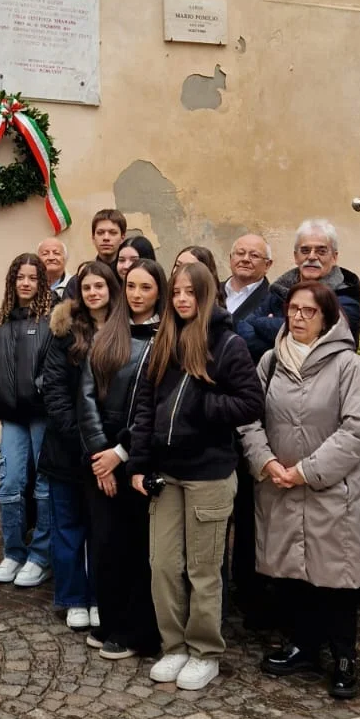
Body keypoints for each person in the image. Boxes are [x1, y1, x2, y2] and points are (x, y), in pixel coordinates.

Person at [129, 261, 263, 691]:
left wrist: (203, 408)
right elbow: (145, 408)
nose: (183, 299)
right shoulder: (163, 342)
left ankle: (205, 651)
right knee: (163, 564)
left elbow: (249, 403)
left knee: (204, 569)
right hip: (166, 473)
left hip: (209, 472)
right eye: (177, 293)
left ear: (206, 297)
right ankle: (175, 646)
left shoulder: (228, 345)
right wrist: (138, 463)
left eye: (191, 292)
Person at [241, 281, 360, 700]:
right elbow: (249, 419)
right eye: (292, 310)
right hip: (278, 483)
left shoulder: (348, 365)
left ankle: (344, 656)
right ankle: (302, 645)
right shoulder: (269, 362)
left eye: (308, 312)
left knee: (335, 575)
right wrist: (266, 461)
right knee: (292, 572)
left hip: (332, 488)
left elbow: (357, 429)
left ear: (327, 317)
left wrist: (306, 471)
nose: (298, 318)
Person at [78, 257, 166, 660]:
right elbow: (86, 396)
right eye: (131, 286)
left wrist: (120, 453)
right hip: (101, 458)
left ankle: (134, 629)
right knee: (105, 544)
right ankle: (109, 619)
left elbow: (154, 407)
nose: (136, 295)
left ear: (159, 291)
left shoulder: (166, 338)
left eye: (145, 288)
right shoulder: (107, 334)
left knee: (136, 549)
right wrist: (100, 454)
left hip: (138, 458)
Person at [41, 260, 115, 630]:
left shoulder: (125, 331)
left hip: (109, 452)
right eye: (86, 287)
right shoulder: (65, 331)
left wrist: (107, 445)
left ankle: (103, 595)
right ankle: (73, 597)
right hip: (67, 447)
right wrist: (81, 436)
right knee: (68, 526)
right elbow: (53, 390)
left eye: (99, 286)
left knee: (103, 531)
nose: (93, 292)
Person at [0, 254, 55, 587]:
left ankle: (40, 556)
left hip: (42, 414)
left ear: (41, 282)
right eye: (20, 277)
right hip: (12, 416)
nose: (25, 283)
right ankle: (13, 552)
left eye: (32, 277)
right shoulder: (1, 320)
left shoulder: (52, 318)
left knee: (44, 486)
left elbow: (55, 366)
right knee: (10, 483)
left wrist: (38, 389)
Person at [223, 232, 276, 624]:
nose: (245, 259)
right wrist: (255, 330)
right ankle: (215, 586)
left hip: (250, 413)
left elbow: (269, 344)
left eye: (254, 255)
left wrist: (243, 333)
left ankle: (247, 589)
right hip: (209, 413)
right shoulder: (213, 292)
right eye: (240, 253)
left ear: (267, 264)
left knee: (247, 508)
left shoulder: (276, 300)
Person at [243, 220, 360, 357]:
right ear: (295, 256)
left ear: (334, 257)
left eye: (321, 251)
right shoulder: (278, 290)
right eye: (305, 250)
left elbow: (318, 342)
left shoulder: (346, 297)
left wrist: (263, 323)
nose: (311, 256)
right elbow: (244, 330)